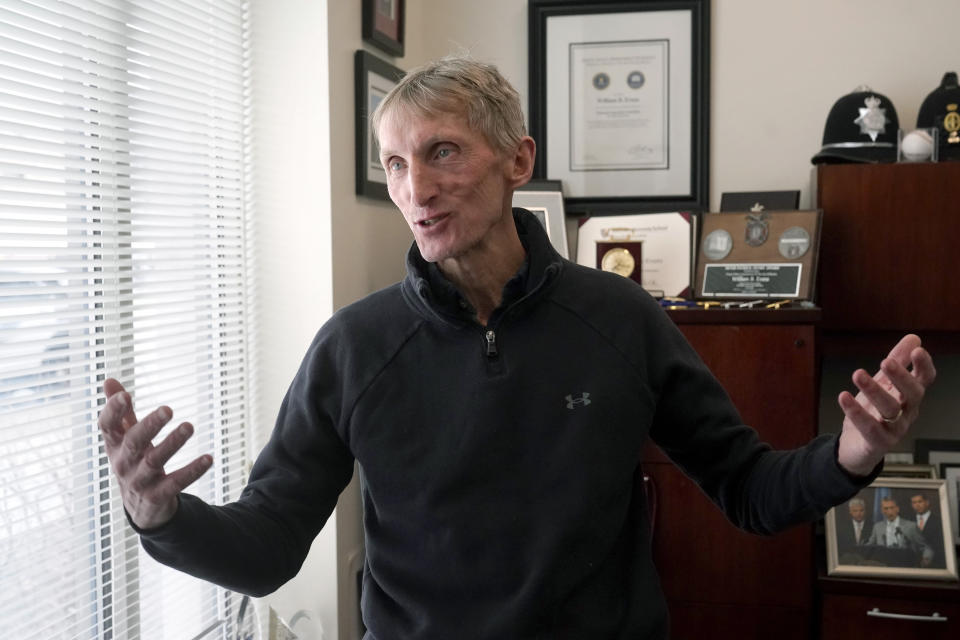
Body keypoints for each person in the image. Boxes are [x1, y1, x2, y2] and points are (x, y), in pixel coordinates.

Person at [97, 57, 937, 639]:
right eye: (394, 164)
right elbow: (269, 546)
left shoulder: (621, 319)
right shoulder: (353, 349)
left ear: (517, 160)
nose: (414, 191)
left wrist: (854, 453)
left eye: (442, 154)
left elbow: (751, 489)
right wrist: (161, 518)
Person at [865, 496, 934, 567]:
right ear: (882, 510)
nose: (889, 511)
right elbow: (869, 546)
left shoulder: (910, 526)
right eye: (886, 508)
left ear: (897, 509)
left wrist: (926, 558)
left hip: (905, 566)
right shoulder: (877, 527)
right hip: (883, 567)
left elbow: (925, 547)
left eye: (892, 508)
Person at [911, 491, 944, 566]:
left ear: (927, 502)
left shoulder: (940, 521)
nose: (917, 505)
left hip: (935, 563)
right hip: (912, 564)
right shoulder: (909, 521)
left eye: (920, 501)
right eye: (914, 503)